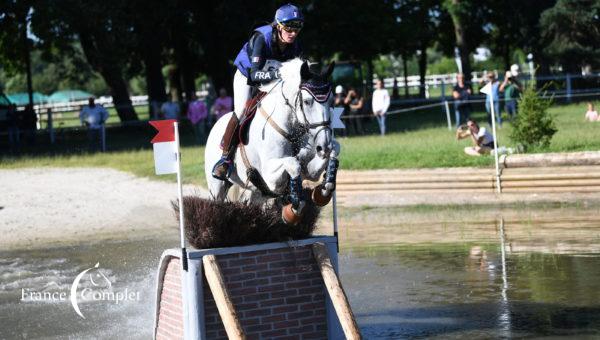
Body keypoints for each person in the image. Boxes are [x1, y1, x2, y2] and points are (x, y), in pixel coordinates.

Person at [212, 3, 304, 180]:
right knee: (241, 111)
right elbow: (255, 75)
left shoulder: (295, 45)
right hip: (247, 76)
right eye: (289, 28)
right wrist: (279, 73)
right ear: (278, 25)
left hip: (273, 79)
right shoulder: (262, 37)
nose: (293, 33)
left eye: (297, 27)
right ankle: (225, 160)